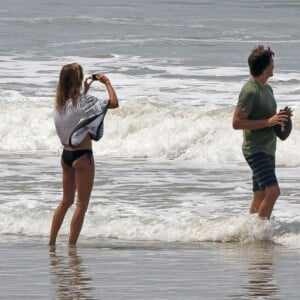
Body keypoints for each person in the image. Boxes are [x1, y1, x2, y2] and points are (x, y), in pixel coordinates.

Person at [49, 63, 118, 246]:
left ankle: (51, 243)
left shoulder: (60, 103)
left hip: (66, 156)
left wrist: (85, 91)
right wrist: (107, 83)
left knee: (66, 201)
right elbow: (113, 103)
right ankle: (71, 246)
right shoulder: (84, 102)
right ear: (78, 80)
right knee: (81, 204)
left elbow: (77, 113)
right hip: (82, 157)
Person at [232, 45, 291, 220]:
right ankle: (260, 234)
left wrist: (281, 116)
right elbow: (237, 122)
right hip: (255, 150)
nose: (274, 66)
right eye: (272, 63)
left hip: (268, 148)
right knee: (273, 192)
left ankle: (250, 232)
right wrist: (268, 121)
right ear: (265, 67)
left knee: (260, 194)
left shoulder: (267, 89)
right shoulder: (250, 91)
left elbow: (269, 117)